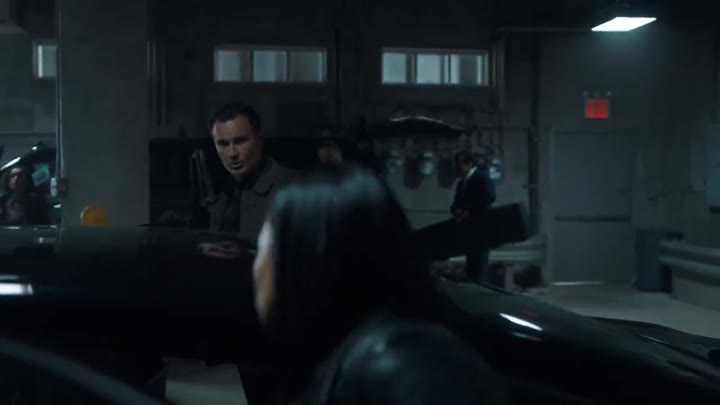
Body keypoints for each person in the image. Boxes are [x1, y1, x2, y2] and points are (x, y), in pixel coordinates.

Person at [251, 165, 508, 404]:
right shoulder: (338, 357)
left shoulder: (401, 365)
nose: (255, 267)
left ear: (303, 257)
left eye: (262, 247)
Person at [207, 102, 296, 241]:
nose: (232, 153)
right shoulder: (222, 193)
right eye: (223, 144)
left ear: (259, 141)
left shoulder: (292, 188)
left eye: (240, 141)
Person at [450, 150, 496, 283]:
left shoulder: (481, 178)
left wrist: (470, 211)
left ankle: (479, 289)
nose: (456, 170)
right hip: (469, 229)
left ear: (469, 164)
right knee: (471, 265)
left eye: (459, 166)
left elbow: (489, 197)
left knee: (479, 265)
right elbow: (456, 203)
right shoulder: (461, 183)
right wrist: (456, 211)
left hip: (481, 229)